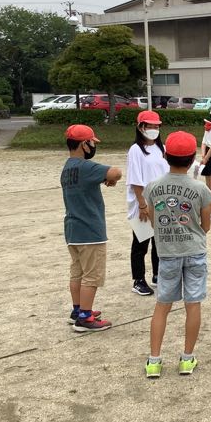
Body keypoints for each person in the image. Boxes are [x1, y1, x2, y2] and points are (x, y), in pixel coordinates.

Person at [143, 131, 211, 378]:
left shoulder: (153, 187)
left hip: (167, 253)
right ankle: (187, 359)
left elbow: (154, 221)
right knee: (192, 304)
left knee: (162, 305)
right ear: (192, 158)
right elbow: (206, 225)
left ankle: (154, 361)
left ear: (165, 156)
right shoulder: (200, 188)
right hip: (194, 251)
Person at [61, 124, 122, 332]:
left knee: (77, 272)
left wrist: (104, 179)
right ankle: (85, 318)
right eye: (92, 143)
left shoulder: (67, 168)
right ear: (83, 144)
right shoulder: (85, 167)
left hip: (73, 229)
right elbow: (116, 172)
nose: (94, 146)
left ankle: (77, 310)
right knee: (92, 275)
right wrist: (109, 178)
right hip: (90, 231)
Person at [126, 110, 168, 296]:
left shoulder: (162, 148)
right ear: (141, 127)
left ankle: (158, 274)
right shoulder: (136, 150)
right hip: (143, 202)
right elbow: (135, 180)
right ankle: (138, 279)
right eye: (149, 126)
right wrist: (142, 204)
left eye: (156, 126)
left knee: (159, 242)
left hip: (160, 202)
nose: (153, 129)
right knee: (141, 242)